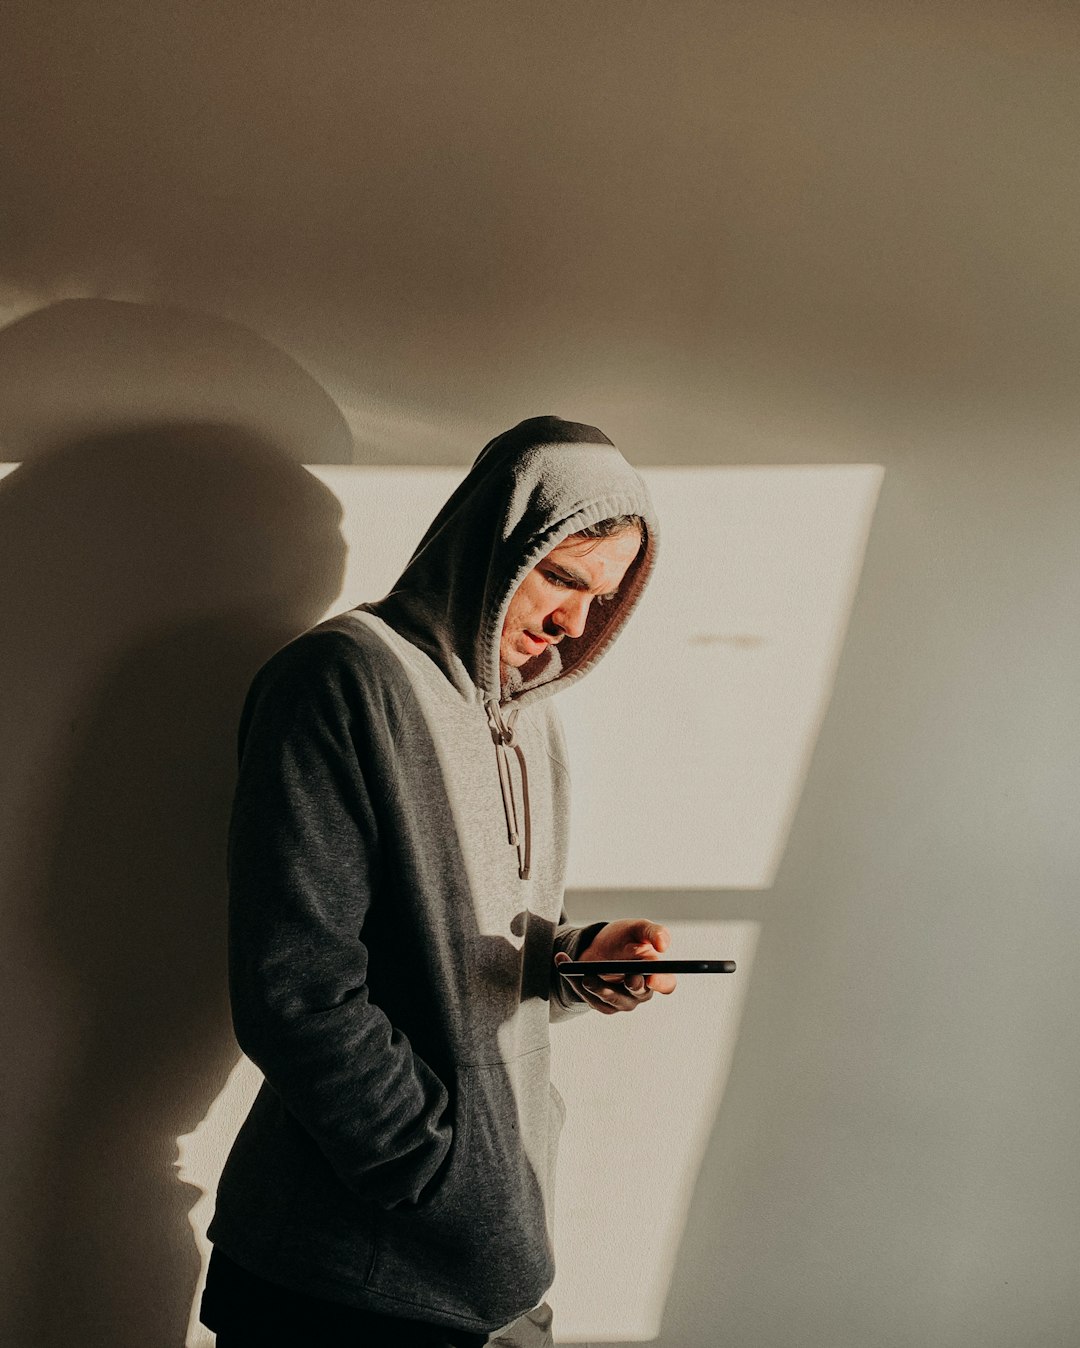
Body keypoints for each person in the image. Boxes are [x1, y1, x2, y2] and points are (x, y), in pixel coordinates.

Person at [200, 416, 677, 1347]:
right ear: (492, 546)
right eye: (563, 577)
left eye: (604, 595)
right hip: (343, 1279)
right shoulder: (338, 681)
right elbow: (297, 996)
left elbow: (457, 962)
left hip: (489, 1273)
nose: (575, 622)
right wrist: (445, 1186)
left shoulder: (528, 720)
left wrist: (576, 964)